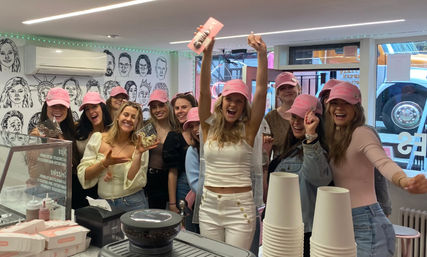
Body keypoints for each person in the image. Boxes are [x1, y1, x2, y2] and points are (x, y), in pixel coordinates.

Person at [324, 82, 427, 257]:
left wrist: (405, 181)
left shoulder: (362, 133)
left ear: (356, 107)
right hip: (348, 219)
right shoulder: (336, 136)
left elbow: (383, 162)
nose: (339, 108)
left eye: (346, 103)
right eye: (335, 103)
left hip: (366, 222)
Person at [197, 33, 267, 250]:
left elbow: (262, 91)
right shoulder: (208, 126)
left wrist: (262, 55)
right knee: (212, 255)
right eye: (230, 99)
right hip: (208, 205)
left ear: (243, 106)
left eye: (239, 101)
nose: (234, 105)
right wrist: (208, 54)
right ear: (222, 101)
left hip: (240, 207)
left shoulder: (249, 130)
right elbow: (203, 91)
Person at [268, 94, 332, 257]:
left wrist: (311, 137)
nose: (296, 122)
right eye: (294, 117)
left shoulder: (317, 151)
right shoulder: (291, 149)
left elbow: (318, 178)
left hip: (303, 232)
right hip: (284, 226)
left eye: (302, 118)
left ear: (316, 121)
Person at [319, 79, 392, 216]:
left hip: (360, 211)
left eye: (344, 101)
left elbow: (380, 172)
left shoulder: (362, 132)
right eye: (331, 99)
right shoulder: (321, 132)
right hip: (334, 209)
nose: (339, 106)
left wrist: (384, 207)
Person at [77, 101, 156, 212]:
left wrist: (138, 154)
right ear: (118, 117)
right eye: (126, 114)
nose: (129, 119)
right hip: (104, 205)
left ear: (137, 122)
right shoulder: (98, 138)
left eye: (134, 117)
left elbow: (133, 179)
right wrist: (104, 163)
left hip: (133, 203)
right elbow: (84, 175)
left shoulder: (140, 145)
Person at [163, 91, 197, 231]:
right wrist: (172, 203)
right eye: (177, 108)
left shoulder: (204, 132)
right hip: (183, 187)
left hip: (205, 185)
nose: (180, 111)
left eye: (184, 107)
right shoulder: (174, 137)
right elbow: (172, 172)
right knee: (188, 229)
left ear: (194, 107)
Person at [74, 92, 112, 209]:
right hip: (80, 184)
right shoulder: (79, 129)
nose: (91, 111)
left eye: (94, 106)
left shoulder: (114, 132)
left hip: (103, 186)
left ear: (103, 107)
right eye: (87, 109)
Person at [144, 89, 177, 209]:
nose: (157, 110)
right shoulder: (148, 127)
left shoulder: (176, 129)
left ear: (168, 105)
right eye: (153, 107)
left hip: (169, 179)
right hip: (149, 180)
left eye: (161, 105)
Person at [265, 72, 301, 159]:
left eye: (291, 86)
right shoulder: (271, 118)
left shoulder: (309, 113)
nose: (287, 90)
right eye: (282, 88)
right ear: (277, 94)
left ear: (299, 89)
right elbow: (266, 151)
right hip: (280, 170)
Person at [183, 107, 201, 233]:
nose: (195, 129)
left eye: (199, 124)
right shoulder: (193, 150)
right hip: (198, 205)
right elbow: (195, 183)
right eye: (192, 126)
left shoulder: (218, 146)